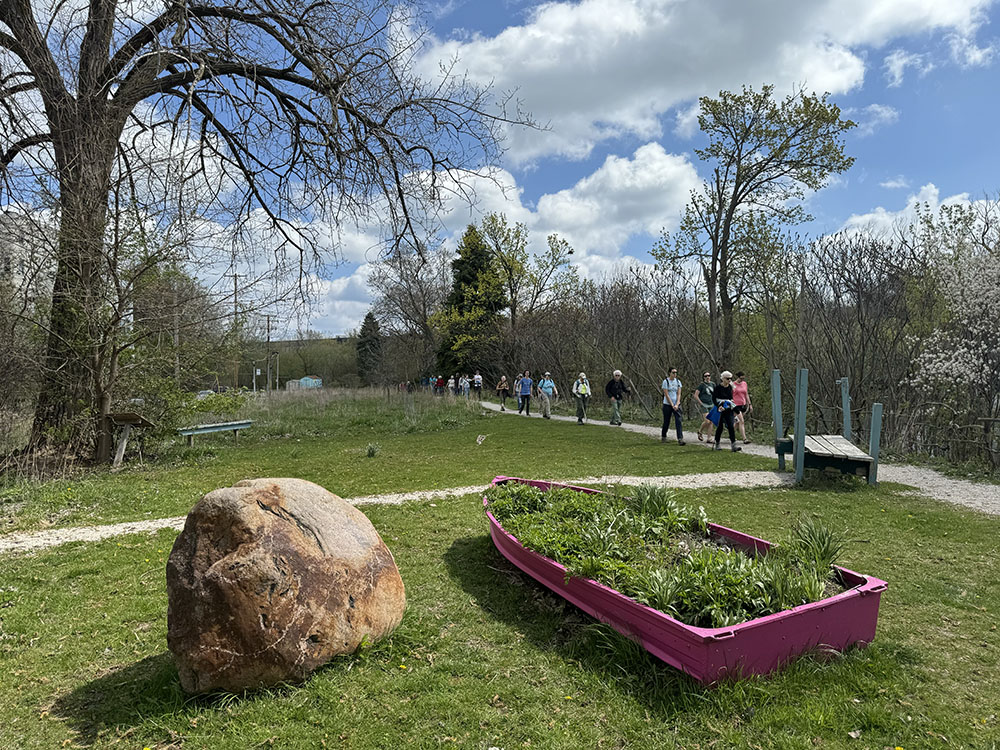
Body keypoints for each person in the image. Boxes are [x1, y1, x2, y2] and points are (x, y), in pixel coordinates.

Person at [712, 370, 742, 452]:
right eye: (728, 378)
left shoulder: (730, 387)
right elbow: (714, 399)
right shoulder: (718, 388)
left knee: (731, 426)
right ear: (723, 379)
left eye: (730, 379)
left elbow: (730, 399)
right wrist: (719, 406)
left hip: (728, 409)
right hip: (720, 409)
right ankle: (717, 443)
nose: (729, 380)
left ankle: (733, 445)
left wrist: (730, 406)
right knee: (720, 427)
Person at [661, 367, 686, 445]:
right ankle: (664, 436)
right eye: (673, 372)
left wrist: (677, 404)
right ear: (669, 373)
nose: (675, 374)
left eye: (676, 372)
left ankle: (680, 438)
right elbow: (666, 394)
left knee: (678, 421)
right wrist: (672, 404)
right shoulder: (666, 382)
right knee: (666, 421)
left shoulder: (678, 382)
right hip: (667, 404)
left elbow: (679, 393)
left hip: (676, 404)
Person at [692, 371, 715, 441]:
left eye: (709, 375)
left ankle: (709, 438)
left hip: (711, 404)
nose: (708, 377)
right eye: (706, 376)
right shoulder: (701, 385)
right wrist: (700, 403)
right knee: (707, 421)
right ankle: (700, 431)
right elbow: (696, 395)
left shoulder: (713, 384)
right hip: (704, 405)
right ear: (703, 377)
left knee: (711, 421)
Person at [732, 371, 753, 443]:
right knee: (741, 421)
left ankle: (731, 434)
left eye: (743, 378)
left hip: (743, 404)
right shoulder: (733, 384)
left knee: (737, 422)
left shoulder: (744, 384)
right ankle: (744, 439)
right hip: (735, 405)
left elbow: (746, 394)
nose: (742, 380)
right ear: (738, 377)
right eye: (741, 378)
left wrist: (749, 404)